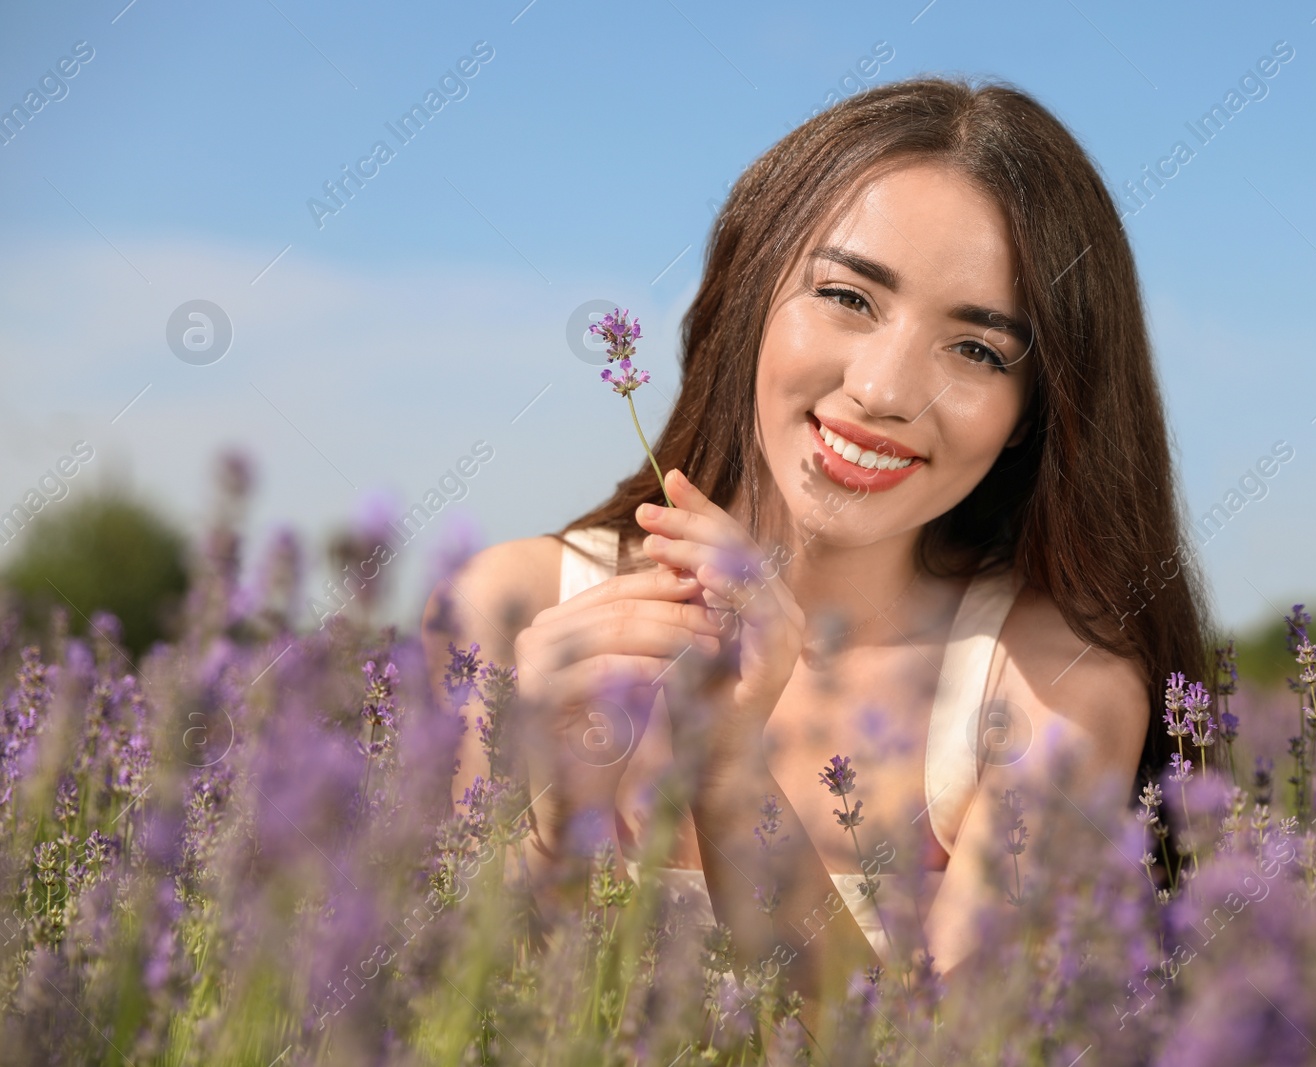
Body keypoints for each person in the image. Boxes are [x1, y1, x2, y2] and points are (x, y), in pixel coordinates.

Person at [421, 74, 1211, 1023]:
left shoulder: (1050, 690)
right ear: (751, 292)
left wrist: (729, 771)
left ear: (1033, 412)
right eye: (846, 295)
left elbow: (941, 1049)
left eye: (977, 350)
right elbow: (417, 1008)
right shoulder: (508, 609)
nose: (884, 389)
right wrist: (547, 826)